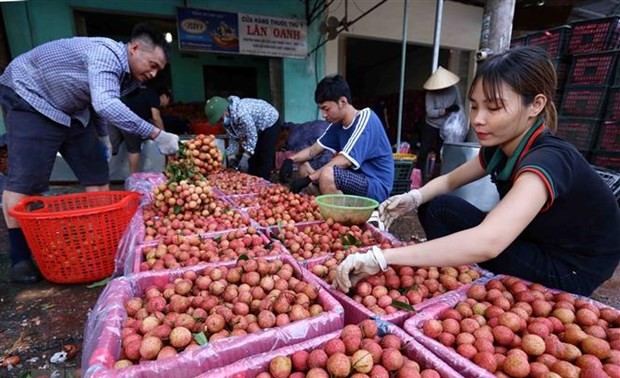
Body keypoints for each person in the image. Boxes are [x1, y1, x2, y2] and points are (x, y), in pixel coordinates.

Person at [333, 47, 620, 297]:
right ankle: (459, 268)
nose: (479, 119)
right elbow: (450, 180)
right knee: (438, 207)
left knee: (480, 246)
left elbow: (489, 241)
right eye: (474, 106)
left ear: (536, 105)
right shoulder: (501, 145)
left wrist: (383, 258)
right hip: (537, 240)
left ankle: (469, 272)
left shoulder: (547, 160)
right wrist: (413, 198)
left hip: (570, 267)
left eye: (493, 108)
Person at [0, 23, 180, 283]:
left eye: (158, 70)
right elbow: (105, 103)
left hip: (72, 110)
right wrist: (156, 134)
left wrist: (103, 136)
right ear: (135, 48)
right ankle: (20, 258)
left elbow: (96, 104)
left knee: (96, 173)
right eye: (152, 65)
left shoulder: (127, 78)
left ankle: (96, 243)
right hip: (30, 97)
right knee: (27, 181)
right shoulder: (104, 53)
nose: (153, 74)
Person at [278, 74, 394, 203]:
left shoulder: (366, 119)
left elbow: (345, 161)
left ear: (342, 102)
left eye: (326, 109)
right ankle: (327, 211)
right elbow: (313, 150)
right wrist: (290, 160)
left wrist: (309, 179)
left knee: (328, 174)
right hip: (352, 180)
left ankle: (344, 218)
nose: (324, 114)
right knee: (304, 167)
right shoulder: (337, 125)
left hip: (374, 186)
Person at [204, 95, 280, 180]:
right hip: (257, 126)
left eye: (221, 119)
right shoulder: (227, 120)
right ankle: (253, 181)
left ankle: (264, 182)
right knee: (253, 158)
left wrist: (245, 156)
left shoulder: (242, 113)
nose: (221, 122)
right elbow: (233, 138)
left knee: (264, 154)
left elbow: (252, 135)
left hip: (270, 121)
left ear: (225, 111)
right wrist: (231, 156)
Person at [110, 86, 172, 173]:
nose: (166, 105)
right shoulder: (154, 97)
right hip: (130, 121)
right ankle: (133, 178)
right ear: (165, 96)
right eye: (168, 101)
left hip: (114, 118)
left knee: (110, 149)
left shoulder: (141, 94)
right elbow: (156, 117)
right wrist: (164, 135)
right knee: (134, 150)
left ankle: (103, 176)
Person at [417, 66, 462, 178]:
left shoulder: (454, 89)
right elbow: (430, 112)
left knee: (442, 153)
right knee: (424, 151)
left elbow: (459, 105)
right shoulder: (430, 94)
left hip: (446, 127)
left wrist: (458, 118)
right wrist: (445, 110)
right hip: (431, 125)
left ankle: (438, 177)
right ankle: (418, 176)